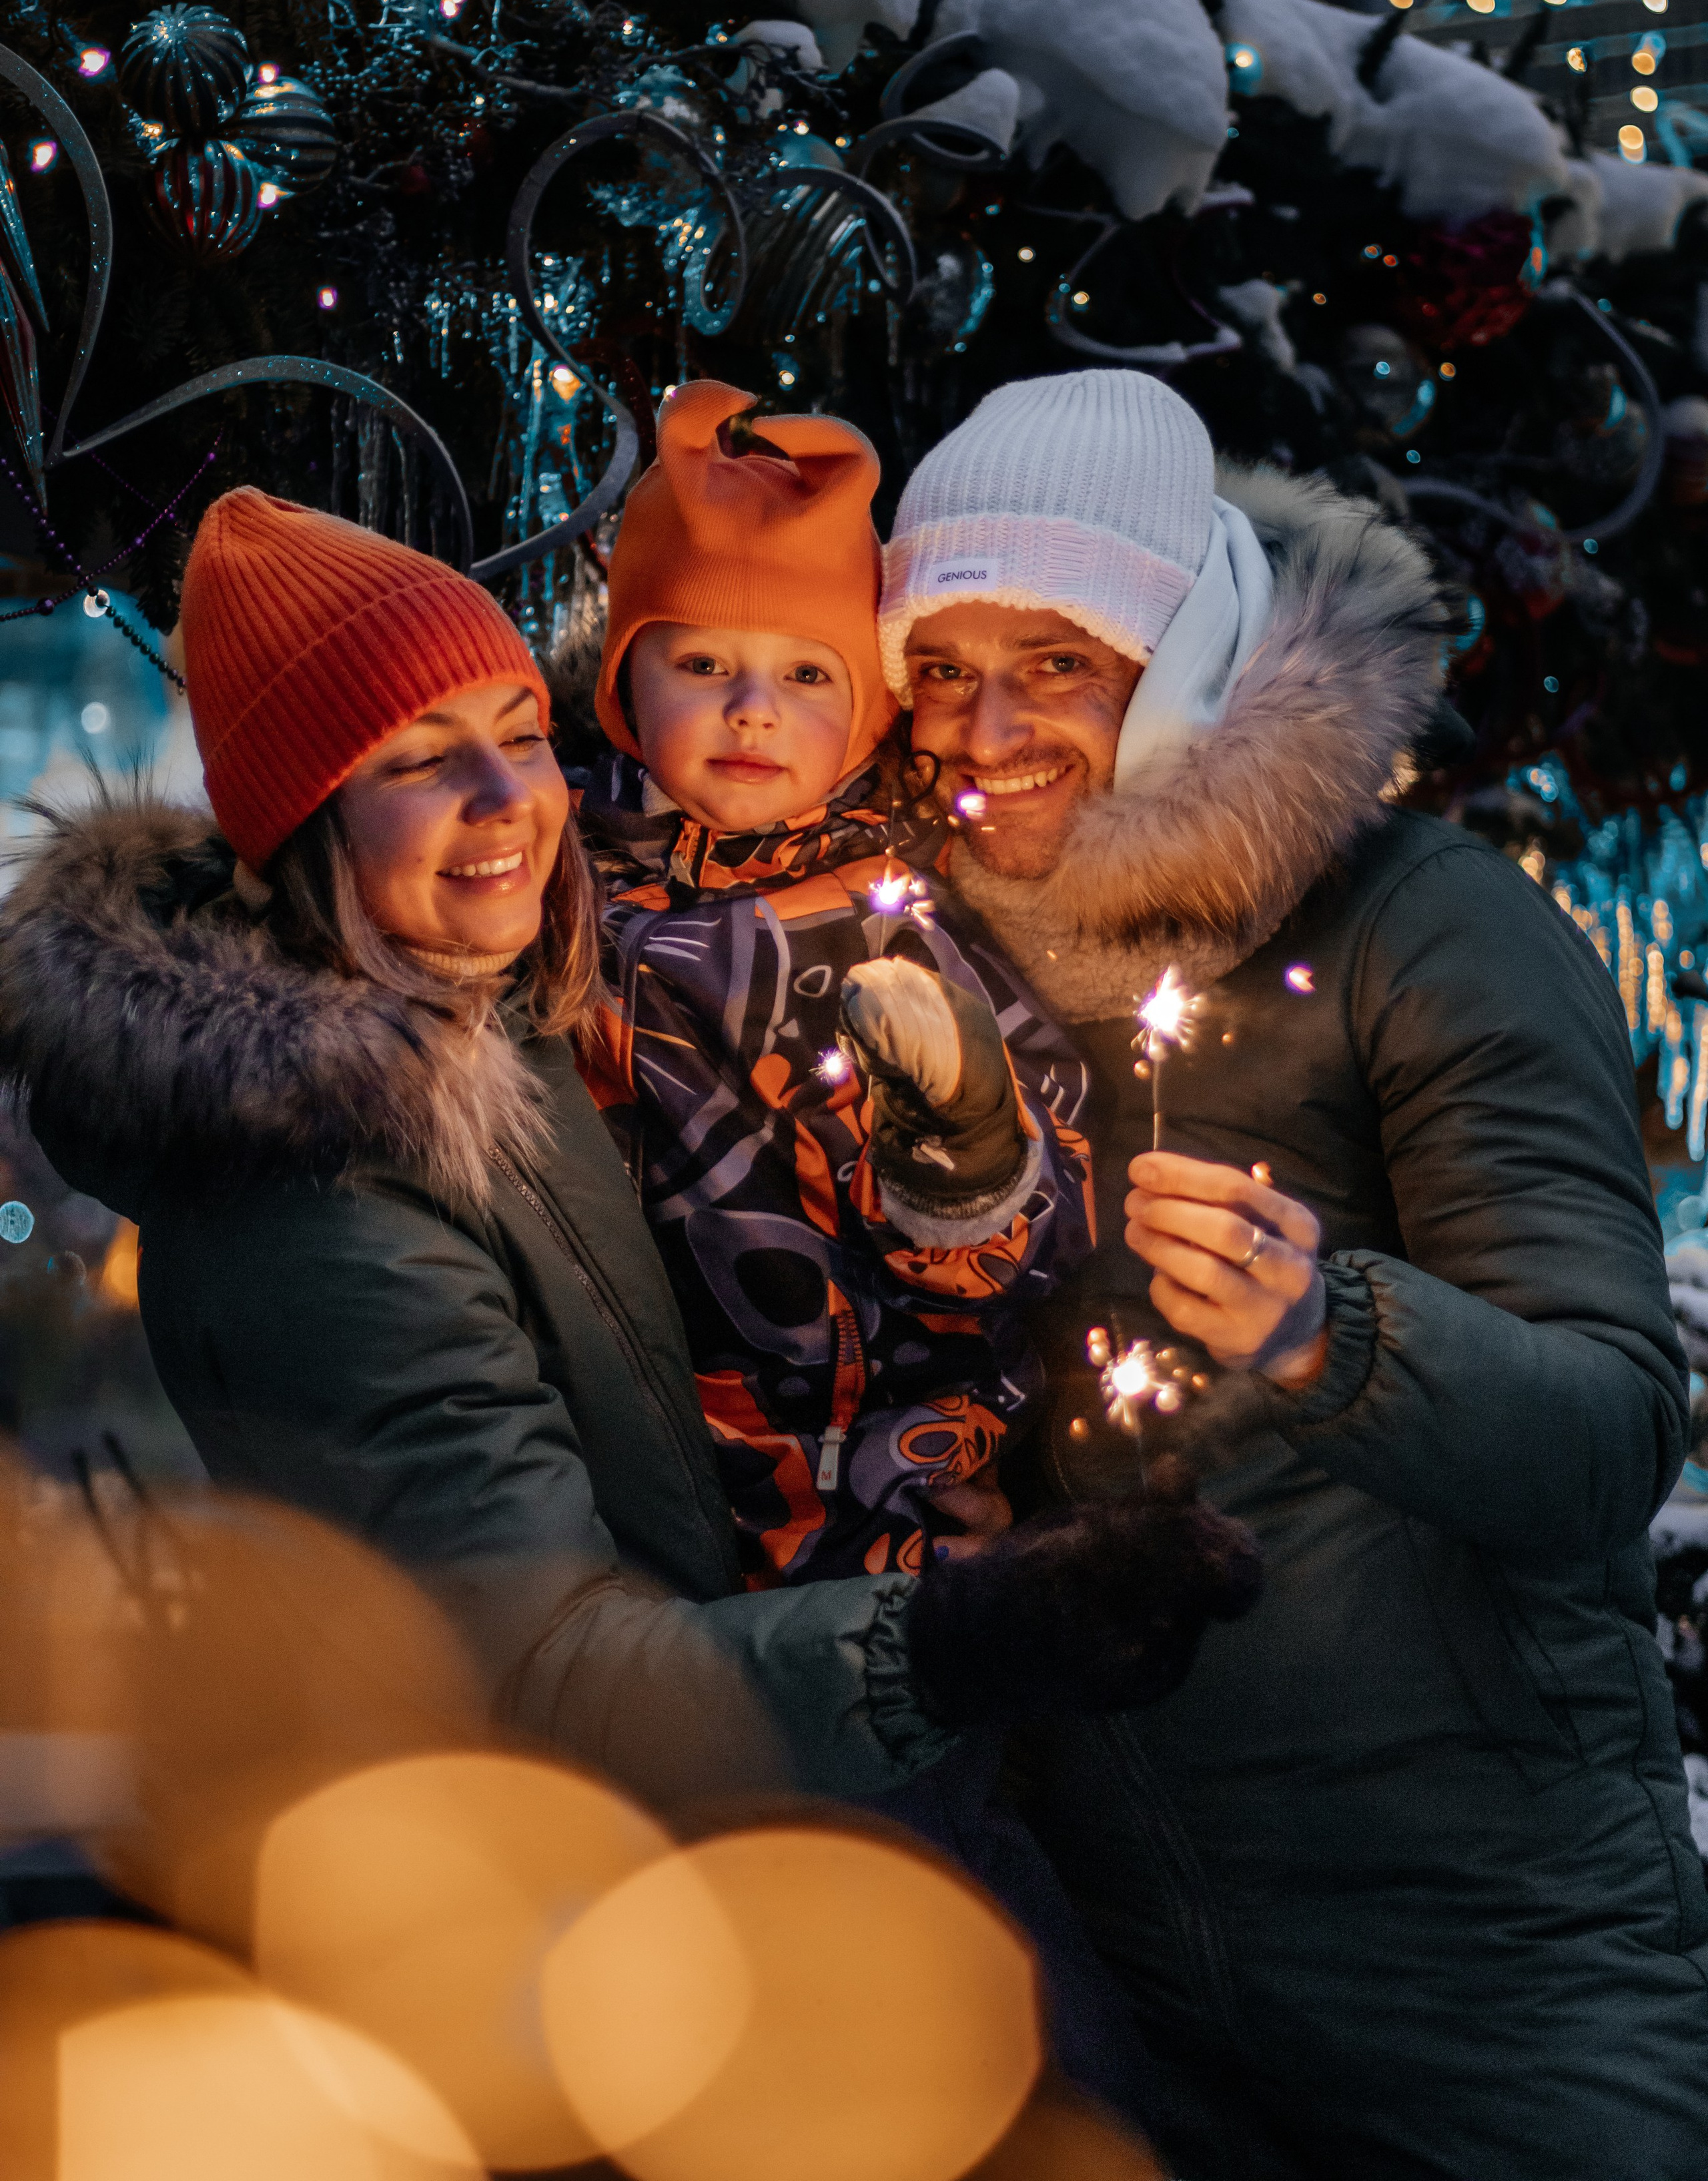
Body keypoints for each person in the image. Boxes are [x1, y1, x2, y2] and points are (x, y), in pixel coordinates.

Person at [0, 486, 1258, 1867]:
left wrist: (928, 1476)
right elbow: (540, 1674)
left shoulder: (519, 999)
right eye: (419, 760)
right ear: (304, 823)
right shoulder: (311, 1200)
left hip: (781, 1752)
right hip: (612, 1882)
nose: (507, 802)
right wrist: (948, 1641)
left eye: (518, 736)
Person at [879, 366, 1708, 2180]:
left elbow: (1604, 1435)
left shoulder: (1420, 925)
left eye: (1057, 661)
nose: (982, 725)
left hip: (1483, 1966)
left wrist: (1332, 1332)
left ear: (1181, 662)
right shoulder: (903, 954)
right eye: (936, 664)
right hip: (1110, 1975)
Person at [577, 378, 1094, 1587]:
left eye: (807, 676)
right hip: (631, 1476)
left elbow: (1046, 1213)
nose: (751, 711)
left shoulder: (888, 917)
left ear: (866, 710)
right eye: (700, 661)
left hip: (869, 1483)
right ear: (625, 686)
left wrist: (963, 1146)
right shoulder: (557, 876)